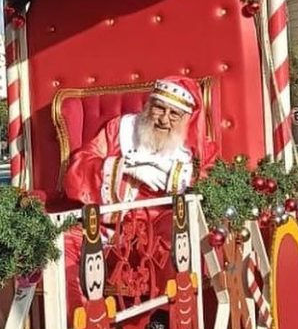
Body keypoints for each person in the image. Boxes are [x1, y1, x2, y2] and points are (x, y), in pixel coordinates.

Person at [61, 77, 216, 309]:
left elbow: (209, 187)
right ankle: (81, 320)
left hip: (160, 224)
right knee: (62, 239)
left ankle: (164, 319)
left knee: (176, 238)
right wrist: (124, 168)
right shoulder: (119, 130)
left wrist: (177, 177)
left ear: (185, 118)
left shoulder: (198, 150)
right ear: (148, 106)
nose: (164, 119)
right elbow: (79, 166)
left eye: (174, 114)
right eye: (159, 108)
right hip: (109, 223)